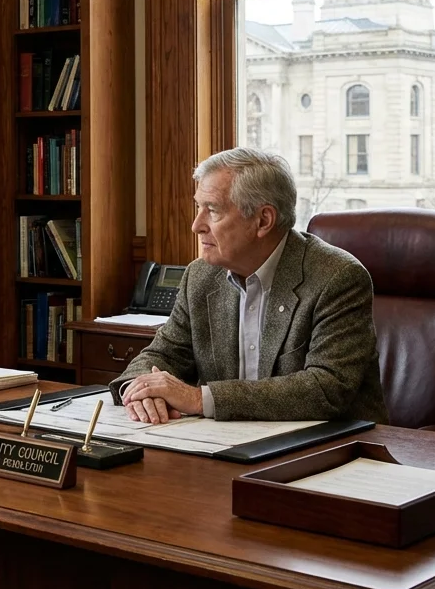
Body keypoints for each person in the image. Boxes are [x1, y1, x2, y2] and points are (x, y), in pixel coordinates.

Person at [111, 147, 388, 425]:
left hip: (332, 442)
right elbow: (162, 354)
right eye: (198, 207)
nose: (196, 225)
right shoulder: (201, 276)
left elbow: (326, 388)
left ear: (263, 220)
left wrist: (199, 399)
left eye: (213, 210)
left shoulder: (337, 277)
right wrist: (140, 391)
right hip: (229, 440)